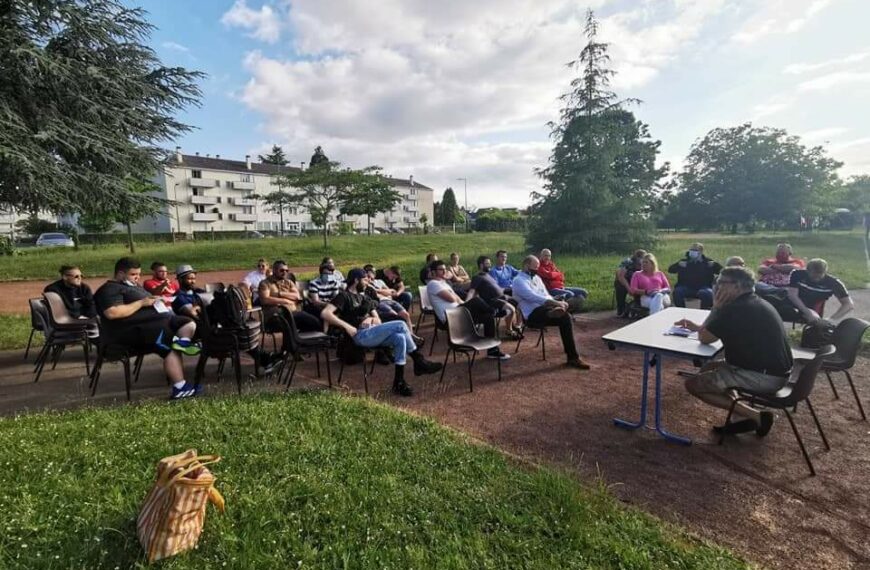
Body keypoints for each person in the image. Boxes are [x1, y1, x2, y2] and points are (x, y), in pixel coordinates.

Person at [675, 267, 793, 436]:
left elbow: (705, 338)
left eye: (721, 283)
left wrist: (716, 308)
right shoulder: (754, 301)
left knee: (693, 385)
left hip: (763, 377)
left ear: (737, 286)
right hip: (775, 371)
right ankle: (740, 418)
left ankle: (758, 417)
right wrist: (710, 319)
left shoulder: (734, 309)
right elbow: (709, 333)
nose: (717, 286)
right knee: (710, 367)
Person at [321, 268, 442, 396]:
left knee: (400, 338)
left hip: (372, 332)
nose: (368, 281)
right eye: (365, 279)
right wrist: (346, 326)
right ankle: (419, 361)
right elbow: (325, 313)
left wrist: (372, 319)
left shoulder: (364, 297)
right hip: (359, 335)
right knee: (401, 324)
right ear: (356, 280)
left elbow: (378, 320)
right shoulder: (343, 296)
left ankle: (399, 383)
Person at [94, 257, 200, 399]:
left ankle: (184, 342)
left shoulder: (134, 286)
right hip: (128, 334)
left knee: (188, 322)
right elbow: (113, 313)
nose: (137, 277)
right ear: (120, 274)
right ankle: (180, 387)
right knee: (169, 344)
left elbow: (146, 300)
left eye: (138, 274)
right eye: (133, 274)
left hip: (153, 326)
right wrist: (141, 303)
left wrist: (157, 299)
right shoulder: (109, 289)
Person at [512, 255, 590, 370]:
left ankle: (572, 357)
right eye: (535, 267)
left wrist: (556, 301)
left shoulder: (537, 278)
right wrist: (555, 303)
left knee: (566, 317)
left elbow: (546, 294)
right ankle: (554, 311)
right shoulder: (518, 281)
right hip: (532, 315)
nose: (536, 269)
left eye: (538, 267)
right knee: (550, 308)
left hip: (546, 309)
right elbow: (533, 297)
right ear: (526, 265)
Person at [427, 260, 509, 360]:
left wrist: (463, 302)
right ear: (433, 272)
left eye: (445, 269)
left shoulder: (443, 283)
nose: (444, 271)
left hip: (460, 314)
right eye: (441, 270)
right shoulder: (433, 284)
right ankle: (493, 310)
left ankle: (492, 351)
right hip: (451, 318)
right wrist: (461, 300)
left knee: (488, 318)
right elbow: (452, 298)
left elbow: (457, 298)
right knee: (476, 300)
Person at [466, 256, 522, 339]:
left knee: (519, 304)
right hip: (492, 301)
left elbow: (495, 287)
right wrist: (466, 302)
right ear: (481, 265)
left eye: (489, 263)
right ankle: (509, 330)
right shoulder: (477, 277)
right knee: (511, 309)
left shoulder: (488, 275)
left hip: (503, 296)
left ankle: (515, 326)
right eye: (487, 264)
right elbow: (472, 291)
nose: (490, 265)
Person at [259, 260, 322, 332]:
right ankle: (298, 341)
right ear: (274, 270)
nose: (285, 272)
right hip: (276, 317)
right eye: (282, 270)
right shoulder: (265, 283)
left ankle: (298, 341)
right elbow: (265, 300)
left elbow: (297, 296)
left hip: (293, 312)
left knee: (318, 314)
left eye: (286, 270)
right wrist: (285, 301)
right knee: (313, 322)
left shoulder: (288, 282)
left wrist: (280, 294)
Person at [787, 258, 854, 324]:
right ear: (807, 270)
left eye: (820, 274)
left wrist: (831, 319)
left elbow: (848, 304)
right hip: (793, 303)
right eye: (814, 275)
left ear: (825, 272)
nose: (817, 278)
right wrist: (807, 312)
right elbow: (792, 295)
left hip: (814, 308)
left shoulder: (833, 283)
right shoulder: (797, 274)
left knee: (818, 323)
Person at [363, 264, 418, 339]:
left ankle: (411, 336)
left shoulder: (379, 281)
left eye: (372, 275)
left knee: (406, 314)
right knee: (396, 316)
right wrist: (384, 292)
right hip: (381, 302)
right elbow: (376, 295)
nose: (370, 278)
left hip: (390, 300)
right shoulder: (366, 285)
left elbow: (391, 291)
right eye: (368, 277)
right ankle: (407, 336)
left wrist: (378, 290)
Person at [668, 243, 721, 309]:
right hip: (686, 286)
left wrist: (716, 265)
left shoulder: (707, 262)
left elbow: (722, 272)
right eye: (691, 249)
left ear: (700, 251)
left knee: (706, 293)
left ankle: (704, 311)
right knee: (678, 292)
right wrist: (678, 264)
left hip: (704, 287)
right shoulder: (684, 261)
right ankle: (681, 310)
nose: (692, 251)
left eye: (695, 250)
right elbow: (670, 270)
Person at [614, 249, 646, 317]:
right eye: (640, 260)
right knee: (620, 287)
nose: (641, 264)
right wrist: (629, 289)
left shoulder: (646, 263)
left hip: (637, 282)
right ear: (636, 258)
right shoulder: (627, 262)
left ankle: (639, 306)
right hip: (624, 282)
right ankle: (621, 308)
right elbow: (620, 276)